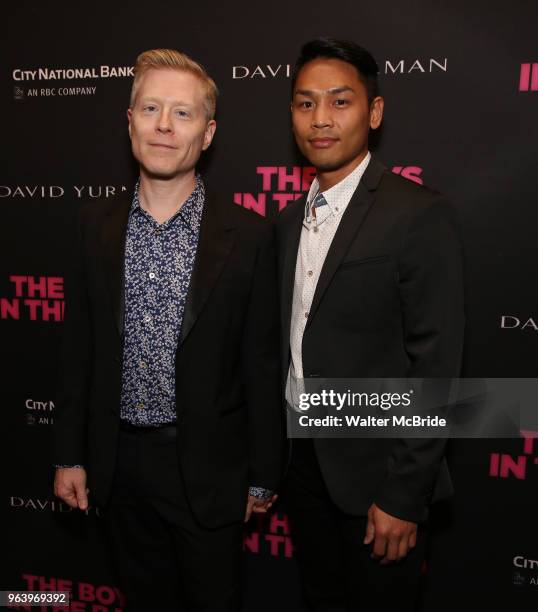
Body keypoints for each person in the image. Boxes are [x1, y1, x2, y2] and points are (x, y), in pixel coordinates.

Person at [52, 48, 284, 612]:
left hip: (208, 472)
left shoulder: (250, 236)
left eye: (182, 114)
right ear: (128, 120)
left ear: (207, 134)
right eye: (150, 107)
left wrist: (262, 475)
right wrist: (69, 456)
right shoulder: (93, 227)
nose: (163, 125)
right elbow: (77, 349)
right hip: (117, 469)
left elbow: (261, 361)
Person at [277, 38, 464, 611]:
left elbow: (436, 364)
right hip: (303, 466)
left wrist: (405, 494)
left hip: (379, 479)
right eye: (306, 104)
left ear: (373, 113)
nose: (321, 119)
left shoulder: (417, 213)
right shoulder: (285, 223)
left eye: (339, 101)